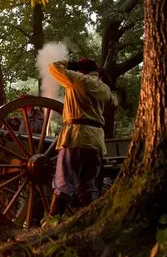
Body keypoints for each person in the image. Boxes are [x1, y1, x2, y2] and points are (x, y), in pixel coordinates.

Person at [48, 58, 117, 216]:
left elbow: (53, 66)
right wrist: (109, 85)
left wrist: (71, 63)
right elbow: (114, 103)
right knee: (88, 186)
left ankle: (53, 221)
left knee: (63, 182)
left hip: (76, 137)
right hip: (96, 141)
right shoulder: (104, 88)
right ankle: (90, 219)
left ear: (81, 70)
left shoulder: (78, 79)